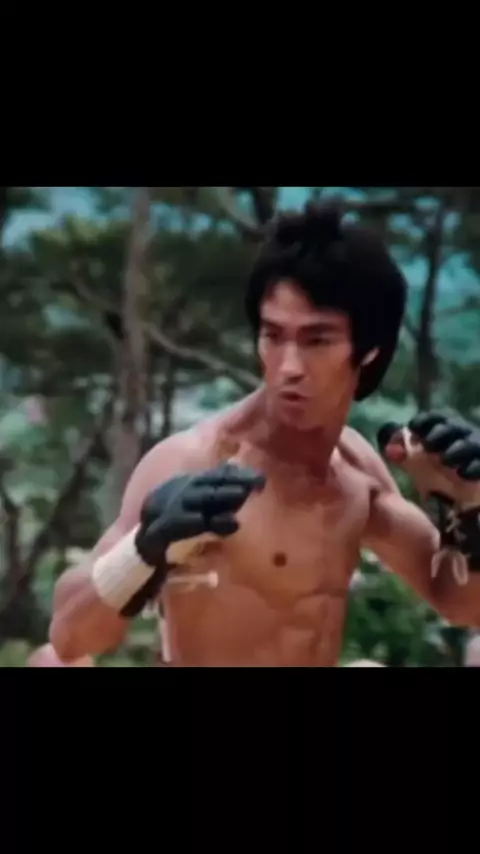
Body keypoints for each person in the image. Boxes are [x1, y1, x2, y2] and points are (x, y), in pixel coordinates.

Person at [48, 201, 480, 667]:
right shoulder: (198, 463)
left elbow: (459, 603)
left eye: (317, 340)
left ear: (370, 350)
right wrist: (144, 548)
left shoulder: (357, 474)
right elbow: (69, 639)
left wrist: (470, 505)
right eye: (274, 336)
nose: (289, 366)